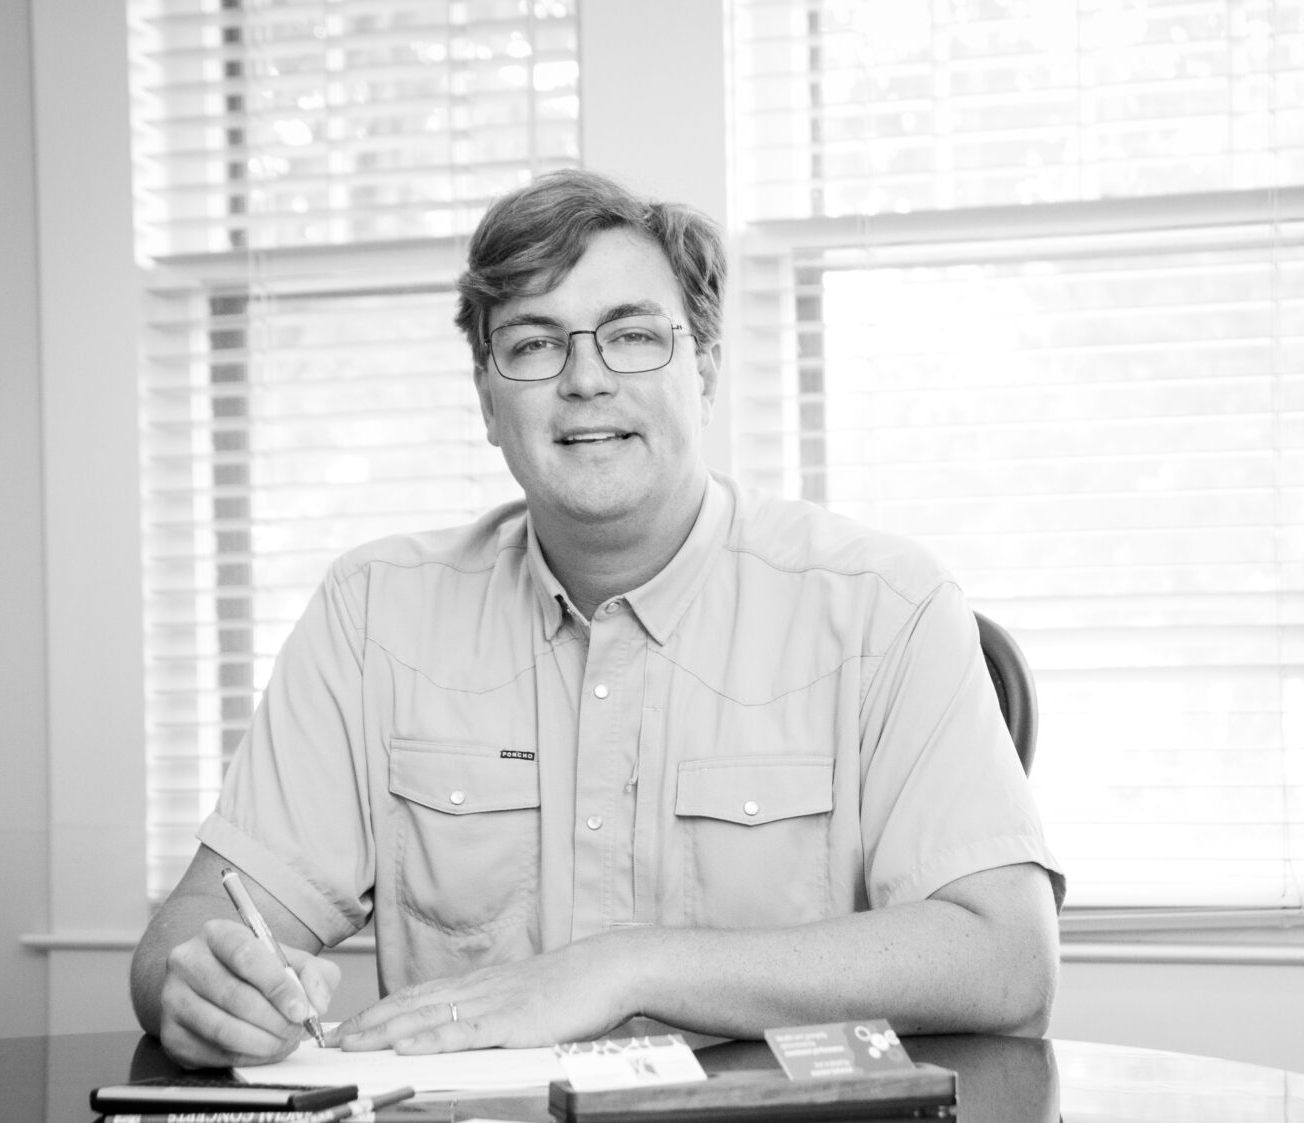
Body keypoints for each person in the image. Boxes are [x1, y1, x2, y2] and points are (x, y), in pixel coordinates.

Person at [130, 169, 1063, 1069]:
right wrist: (204, 988)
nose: (584, 380)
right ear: (488, 401)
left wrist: (625, 967)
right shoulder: (374, 615)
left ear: (704, 370)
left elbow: (1008, 960)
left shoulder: (884, 607)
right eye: (535, 344)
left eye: (631, 337)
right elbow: (188, 936)